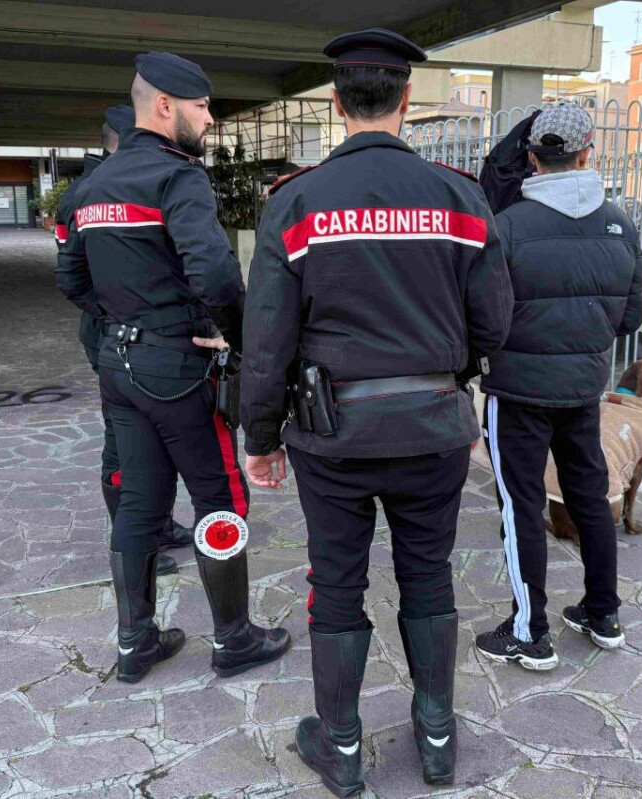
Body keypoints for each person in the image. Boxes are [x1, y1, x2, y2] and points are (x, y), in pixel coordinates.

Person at [240, 29, 512, 796]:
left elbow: (267, 337)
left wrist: (260, 437)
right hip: (433, 427)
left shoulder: (296, 201)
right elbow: (495, 319)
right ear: (407, 101)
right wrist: (446, 373)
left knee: (337, 583)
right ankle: (437, 738)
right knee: (429, 576)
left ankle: (342, 747)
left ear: (336, 102)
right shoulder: (460, 197)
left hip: (331, 437)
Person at [56, 53, 290, 685]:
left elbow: (71, 278)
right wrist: (237, 336)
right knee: (221, 496)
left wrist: (122, 319)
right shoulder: (177, 177)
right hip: (179, 366)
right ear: (165, 106)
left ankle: (136, 643)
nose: (209, 119)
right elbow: (215, 272)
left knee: (138, 501)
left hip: (118, 362)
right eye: (202, 107)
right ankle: (234, 639)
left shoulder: (91, 186)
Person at [474, 100, 642, 672]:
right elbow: (630, 318)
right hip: (582, 390)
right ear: (587, 154)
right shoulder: (620, 225)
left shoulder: (507, 227)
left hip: (516, 393)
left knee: (521, 505)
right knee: (590, 498)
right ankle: (603, 613)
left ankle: (531, 632)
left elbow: (484, 317)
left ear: (531, 158)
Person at [55, 106, 191, 578]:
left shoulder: (104, 186)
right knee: (125, 448)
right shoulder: (89, 191)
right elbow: (71, 272)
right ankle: (136, 539)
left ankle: (158, 525)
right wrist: (118, 313)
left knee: (152, 444)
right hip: (118, 336)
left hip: (126, 332)